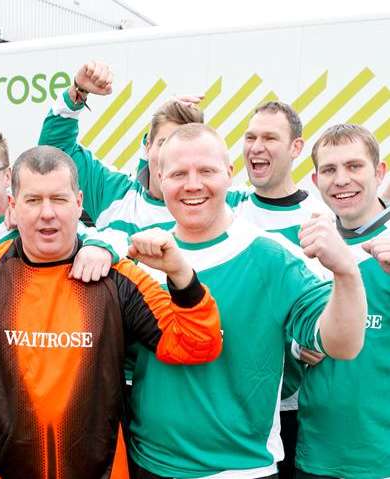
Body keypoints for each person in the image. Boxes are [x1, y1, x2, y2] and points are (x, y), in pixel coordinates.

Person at [0, 145, 223, 479]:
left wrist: (179, 273)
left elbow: (195, 344)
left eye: (59, 199)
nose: (47, 213)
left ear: (79, 203)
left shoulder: (117, 278)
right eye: (33, 200)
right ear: (13, 208)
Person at [127, 123, 366, 479]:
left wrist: (346, 272)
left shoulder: (272, 258)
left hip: (238, 470)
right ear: (160, 178)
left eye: (206, 171)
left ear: (229, 173)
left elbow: (343, 345)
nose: (193, 184)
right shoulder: (140, 256)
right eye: (179, 173)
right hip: (148, 463)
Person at [233, 101, 330, 477]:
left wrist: (309, 342)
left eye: (270, 137)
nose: (256, 146)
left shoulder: (321, 220)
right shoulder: (231, 209)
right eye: (250, 137)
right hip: (241, 408)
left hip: (297, 406)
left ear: (296, 148)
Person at [294, 124, 390, 479]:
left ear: (379, 173)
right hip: (316, 453)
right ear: (316, 180)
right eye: (330, 170)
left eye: (354, 166)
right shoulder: (310, 248)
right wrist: (296, 347)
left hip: (381, 458)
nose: (341, 180)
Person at [38, 61, 203, 236]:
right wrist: (78, 91)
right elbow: (54, 154)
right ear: (148, 147)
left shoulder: (216, 209)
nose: (173, 156)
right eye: (164, 143)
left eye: (184, 147)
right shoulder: (115, 193)